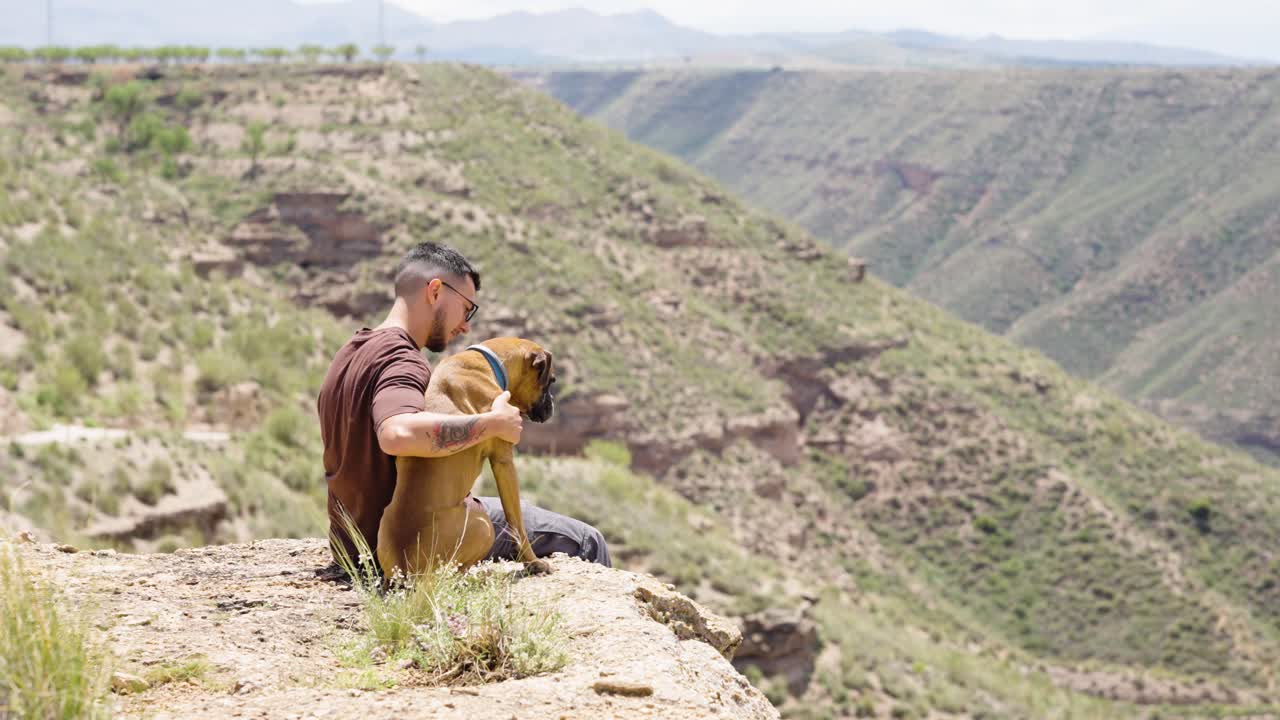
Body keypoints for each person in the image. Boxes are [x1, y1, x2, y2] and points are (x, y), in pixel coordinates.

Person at [316, 241, 611, 572]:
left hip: (351, 543)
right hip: (406, 544)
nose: (466, 325)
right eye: (467, 308)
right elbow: (396, 434)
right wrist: (491, 424)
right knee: (586, 540)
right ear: (435, 291)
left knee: (516, 511)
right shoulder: (403, 362)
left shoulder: (350, 351)